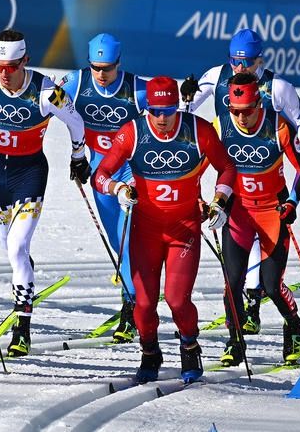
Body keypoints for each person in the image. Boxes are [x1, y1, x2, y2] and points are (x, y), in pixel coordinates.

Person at [0, 29, 87, 357]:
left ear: (26, 61)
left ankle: (22, 328)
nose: (5, 74)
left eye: (11, 67)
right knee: (11, 248)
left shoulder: (46, 91)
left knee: (17, 247)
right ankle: (24, 269)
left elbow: (76, 122)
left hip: (29, 174)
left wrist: (78, 157)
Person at [93, 76, 237, 384]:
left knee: (176, 299)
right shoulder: (132, 132)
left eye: (168, 111)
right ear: (147, 108)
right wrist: (118, 188)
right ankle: (149, 351)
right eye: (155, 111)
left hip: (183, 230)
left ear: (177, 107)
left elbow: (226, 167)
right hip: (145, 230)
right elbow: (100, 174)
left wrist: (220, 202)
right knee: (143, 303)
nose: (161, 118)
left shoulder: (198, 130)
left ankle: (190, 346)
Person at [180, 27, 300, 334]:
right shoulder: (216, 77)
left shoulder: (278, 88)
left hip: (268, 180)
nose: (240, 68)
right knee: (235, 267)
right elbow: (185, 118)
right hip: (232, 181)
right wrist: (185, 98)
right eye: (235, 61)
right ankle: (245, 313)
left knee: (267, 269)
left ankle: (258, 301)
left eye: (248, 62)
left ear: (260, 60)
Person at [215, 72, 300, 366]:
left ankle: (292, 323)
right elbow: (197, 160)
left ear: (258, 103)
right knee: (232, 282)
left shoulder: (278, 126)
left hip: (273, 210)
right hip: (239, 213)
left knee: (271, 286)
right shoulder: (220, 126)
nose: (241, 118)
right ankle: (235, 341)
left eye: (247, 111)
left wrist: (293, 201)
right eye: (235, 111)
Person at [57, 33, 147, 343]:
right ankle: (133, 293)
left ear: (118, 63)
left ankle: (131, 308)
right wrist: (77, 155)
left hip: (130, 171)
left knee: (127, 240)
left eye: (107, 68)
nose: (101, 74)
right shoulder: (77, 82)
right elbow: (41, 99)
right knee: (116, 241)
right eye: (96, 67)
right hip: (100, 173)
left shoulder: (136, 88)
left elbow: (168, 111)